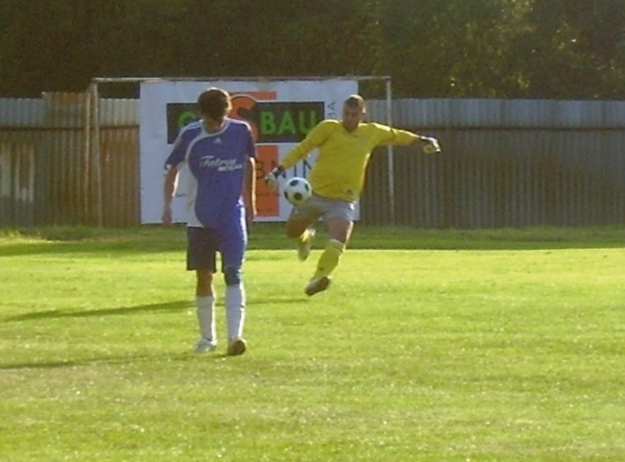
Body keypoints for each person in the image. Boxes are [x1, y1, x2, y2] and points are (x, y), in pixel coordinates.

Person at [265, 93, 440, 296]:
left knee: (339, 239)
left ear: (363, 114)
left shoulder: (372, 132)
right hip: (314, 194)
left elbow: (396, 135)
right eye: (347, 114)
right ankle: (304, 239)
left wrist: (423, 140)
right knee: (292, 232)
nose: (350, 118)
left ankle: (318, 278)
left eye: (354, 114)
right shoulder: (328, 128)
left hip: (342, 200)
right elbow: (303, 149)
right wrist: (278, 171)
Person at [162, 87, 257, 355]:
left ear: (228, 111)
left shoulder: (240, 132)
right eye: (210, 119)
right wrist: (168, 204)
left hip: (231, 214)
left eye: (220, 118)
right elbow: (173, 170)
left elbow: (249, 163)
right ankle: (207, 338)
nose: (215, 125)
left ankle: (235, 337)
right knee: (204, 276)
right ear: (201, 113)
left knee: (234, 272)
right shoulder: (191, 135)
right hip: (199, 217)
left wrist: (250, 201)